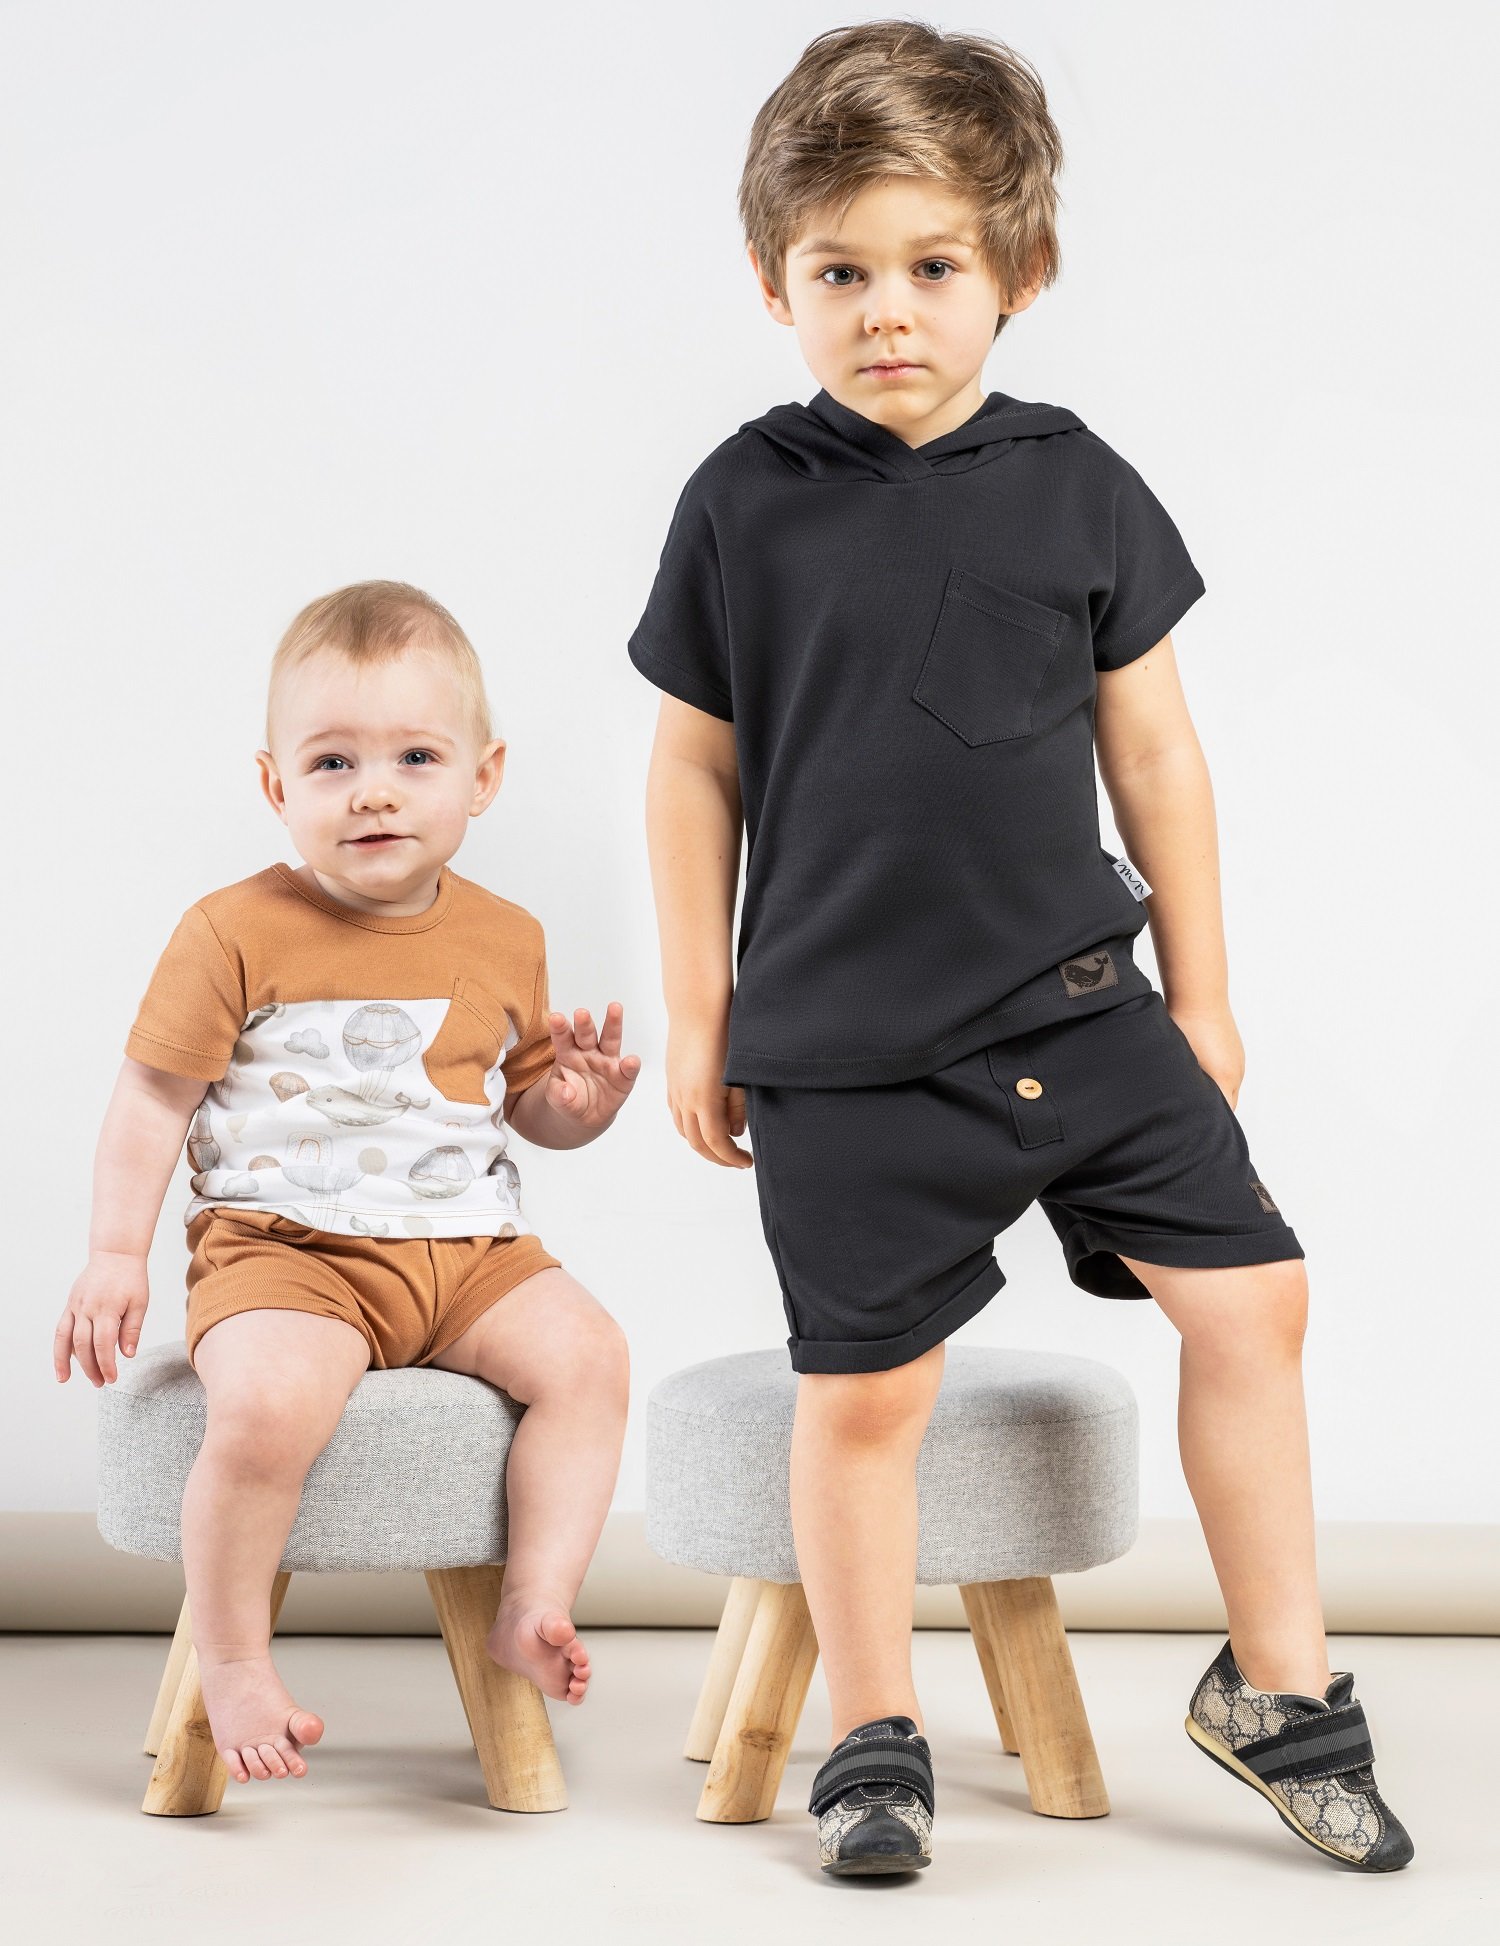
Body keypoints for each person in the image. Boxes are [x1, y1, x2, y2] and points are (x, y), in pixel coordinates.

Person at [628, 19, 1411, 1877]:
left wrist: (1204, 992)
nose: (886, 311)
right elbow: (692, 767)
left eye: (931, 267)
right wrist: (700, 1014)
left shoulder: (1082, 483)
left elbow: (1159, 754)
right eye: (840, 273)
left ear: (1019, 272)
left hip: (1078, 1004)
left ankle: (1279, 1689)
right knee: (866, 1391)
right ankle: (874, 1735)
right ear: (774, 283)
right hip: (846, 1045)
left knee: (1258, 1302)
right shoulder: (741, 498)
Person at [56, 580, 637, 1786]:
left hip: (470, 1250)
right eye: (333, 761)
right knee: (268, 1405)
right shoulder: (232, 928)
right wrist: (115, 1251)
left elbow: (521, 1103)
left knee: (590, 1356)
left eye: (416, 756)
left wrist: (573, 1109)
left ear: (482, 775)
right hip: (288, 1252)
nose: (374, 790)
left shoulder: (507, 933)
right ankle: (234, 1657)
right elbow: (152, 1098)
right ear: (277, 785)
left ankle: (533, 1599)